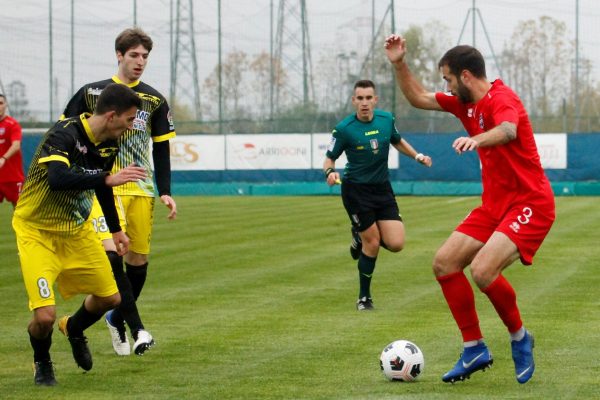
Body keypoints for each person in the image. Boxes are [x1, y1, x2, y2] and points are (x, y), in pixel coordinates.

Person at [385, 34, 555, 384]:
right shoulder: (463, 103)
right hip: (494, 205)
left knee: (482, 270)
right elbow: (417, 97)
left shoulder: (502, 98)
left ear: (464, 76)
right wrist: (400, 63)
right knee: (444, 263)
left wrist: (477, 138)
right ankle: (474, 347)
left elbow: (508, 130)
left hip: (530, 202)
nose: (444, 85)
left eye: (447, 78)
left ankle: (520, 337)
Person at [13, 83, 147, 386]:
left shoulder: (109, 144)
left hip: (76, 230)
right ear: (112, 116)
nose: (131, 127)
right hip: (37, 232)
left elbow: (102, 186)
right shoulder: (64, 133)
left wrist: (115, 229)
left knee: (110, 297)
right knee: (44, 316)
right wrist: (105, 177)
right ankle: (43, 361)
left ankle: (73, 327)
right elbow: (58, 178)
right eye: (129, 120)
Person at [61, 27, 177, 356]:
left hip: (140, 187)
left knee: (137, 265)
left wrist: (165, 190)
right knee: (114, 256)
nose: (140, 62)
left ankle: (103, 320)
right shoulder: (92, 93)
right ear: (119, 55)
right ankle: (139, 328)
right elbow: (66, 133)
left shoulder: (154, 100)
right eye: (134, 55)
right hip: (101, 186)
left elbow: (162, 150)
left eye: (145, 56)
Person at [324, 79, 432, 311]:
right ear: (354, 101)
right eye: (360, 98)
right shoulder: (344, 129)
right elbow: (329, 157)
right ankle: (364, 298)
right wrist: (330, 172)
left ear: (375, 100)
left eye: (368, 98)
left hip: (382, 188)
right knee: (372, 242)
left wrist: (418, 156)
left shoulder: (386, 120)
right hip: (355, 190)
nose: (364, 103)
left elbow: (397, 141)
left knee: (396, 243)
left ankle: (358, 235)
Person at [0, 94, 25, 207]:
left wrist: (3, 158)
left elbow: (16, 145)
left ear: (5, 105)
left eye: (1, 103)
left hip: (13, 177)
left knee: (20, 211)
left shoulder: (12, 125)